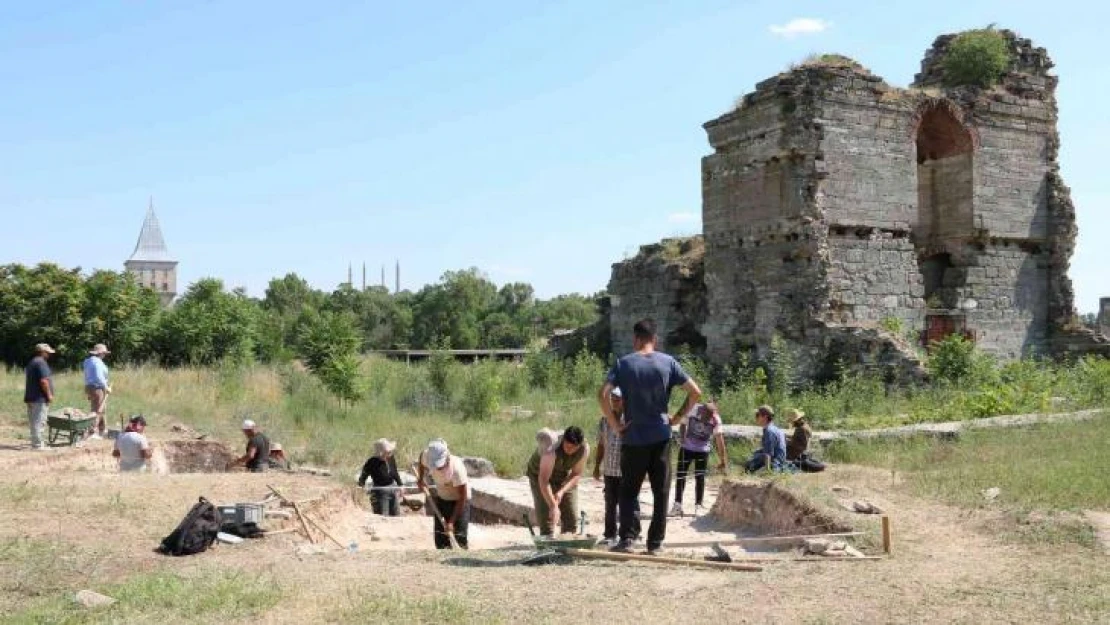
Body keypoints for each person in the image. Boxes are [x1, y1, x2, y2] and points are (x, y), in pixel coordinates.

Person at [600, 318, 701, 555]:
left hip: (633, 437)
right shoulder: (668, 362)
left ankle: (627, 539)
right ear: (654, 340)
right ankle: (655, 544)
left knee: (628, 491)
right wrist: (676, 419)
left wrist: (615, 425)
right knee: (661, 491)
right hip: (661, 435)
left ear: (635, 339)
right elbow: (696, 393)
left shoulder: (623, 364)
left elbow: (602, 394)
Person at [593, 387, 640, 545]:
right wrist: (596, 466)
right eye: (612, 399)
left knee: (630, 503)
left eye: (617, 400)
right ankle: (609, 535)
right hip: (609, 469)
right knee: (610, 503)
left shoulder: (631, 421)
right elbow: (601, 444)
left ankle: (632, 534)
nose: (614, 403)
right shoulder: (605, 420)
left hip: (627, 470)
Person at [527, 425, 589, 538]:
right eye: (567, 446)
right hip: (539, 475)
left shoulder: (584, 450)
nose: (569, 450)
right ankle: (548, 544)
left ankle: (566, 546)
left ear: (579, 445)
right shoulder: (551, 448)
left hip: (562, 477)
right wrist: (553, 506)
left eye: (573, 447)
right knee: (548, 520)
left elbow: (576, 474)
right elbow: (544, 480)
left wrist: (561, 491)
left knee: (571, 520)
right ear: (563, 440)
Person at [671, 401, 728, 517]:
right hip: (686, 448)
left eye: (709, 418)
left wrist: (723, 461)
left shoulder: (716, 419)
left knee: (700, 477)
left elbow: (719, 440)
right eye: (705, 417)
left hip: (702, 450)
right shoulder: (692, 410)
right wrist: (682, 439)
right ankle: (677, 505)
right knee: (681, 476)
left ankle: (698, 504)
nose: (707, 420)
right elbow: (682, 424)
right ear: (701, 410)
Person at [417, 439, 470, 549]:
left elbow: (462, 496)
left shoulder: (457, 468)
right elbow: (421, 460)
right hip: (442, 498)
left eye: (440, 466)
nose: (438, 468)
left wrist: (451, 522)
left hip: (459, 502)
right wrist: (421, 479)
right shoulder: (427, 456)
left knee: (459, 536)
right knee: (440, 537)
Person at [358, 438, 404, 516]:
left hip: (392, 488)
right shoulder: (372, 462)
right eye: (387, 451)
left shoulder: (391, 458)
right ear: (381, 452)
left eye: (390, 451)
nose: (390, 453)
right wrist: (361, 484)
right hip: (380, 492)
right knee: (383, 516)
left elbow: (394, 472)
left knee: (396, 515)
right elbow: (364, 474)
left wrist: (400, 485)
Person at [24, 343, 56, 450]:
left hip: (31, 397)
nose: (49, 355)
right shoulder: (41, 363)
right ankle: (38, 445)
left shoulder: (32, 362)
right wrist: (49, 395)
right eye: (47, 352)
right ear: (42, 352)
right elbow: (43, 381)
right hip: (39, 398)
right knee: (40, 421)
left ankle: (35, 443)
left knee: (34, 421)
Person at [82, 343, 112, 439]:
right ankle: (92, 432)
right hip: (97, 387)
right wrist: (106, 387)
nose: (104, 355)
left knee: (101, 409)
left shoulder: (88, 361)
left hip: (90, 386)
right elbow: (99, 376)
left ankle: (102, 430)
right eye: (104, 353)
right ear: (100, 353)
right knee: (97, 410)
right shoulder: (97, 362)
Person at [744, 405, 787, 473]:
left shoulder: (769, 431)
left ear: (765, 417)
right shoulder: (775, 429)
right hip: (780, 461)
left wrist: (767, 470)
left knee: (748, 465)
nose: (756, 417)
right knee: (755, 454)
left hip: (775, 464)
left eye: (758, 415)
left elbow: (768, 453)